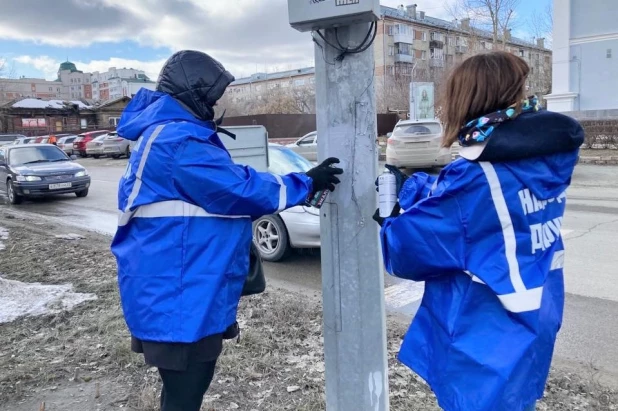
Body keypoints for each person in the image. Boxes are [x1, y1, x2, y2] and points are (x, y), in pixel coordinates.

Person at [111, 50, 343, 411]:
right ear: (194, 95)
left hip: (176, 289)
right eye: (213, 97)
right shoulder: (179, 142)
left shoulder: (166, 134)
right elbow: (237, 190)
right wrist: (305, 184)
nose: (218, 105)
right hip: (178, 294)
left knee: (184, 391)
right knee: (186, 392)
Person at [374, 51, 584, 411]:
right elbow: (472, 208)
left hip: (485, 338)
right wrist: (412, 186)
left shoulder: (474, 181)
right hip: (535, 320)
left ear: (469, 101)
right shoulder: (543, 159)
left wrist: (389, 214)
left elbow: (405, 250)